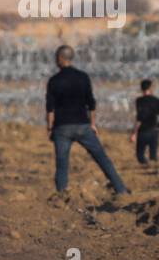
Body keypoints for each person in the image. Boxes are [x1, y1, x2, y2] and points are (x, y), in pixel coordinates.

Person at [45, 45, 128, 196]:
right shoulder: (83, 77)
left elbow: (50, 108)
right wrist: (93, 124)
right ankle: (121, 189)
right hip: (83, 125)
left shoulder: (54, 80)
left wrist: (50, 128)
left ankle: (62, 195)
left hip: (62, 127)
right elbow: (91, 103)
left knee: (62, 164)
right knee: (102, 159)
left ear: (60, 58)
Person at [130, 78, 159, 167]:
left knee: (140, 155)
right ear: (151, 88)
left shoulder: (139, 101)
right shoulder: (157, 101)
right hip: (154, 130)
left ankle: (147, 165)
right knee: (153, 155)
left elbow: (139, 118)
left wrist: (134, 133)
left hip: (143, 131)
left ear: (141, 89)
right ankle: (154, 170)